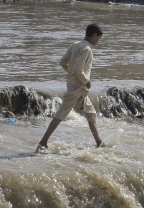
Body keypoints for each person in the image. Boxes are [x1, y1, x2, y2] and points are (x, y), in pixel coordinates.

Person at [36, 24, 105, 153]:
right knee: (61, 114)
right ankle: (43, 142)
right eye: (99, 38)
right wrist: (86, 81)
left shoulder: (75, 45)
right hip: (78, 87)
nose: (98, 41)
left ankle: (99, 142)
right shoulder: (87, 49)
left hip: (76, 86)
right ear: (94, 35)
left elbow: (62, 62)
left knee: (90, 113)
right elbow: (78, 69)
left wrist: (71, 73)